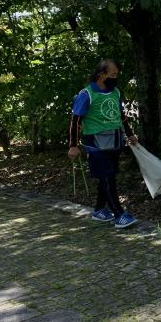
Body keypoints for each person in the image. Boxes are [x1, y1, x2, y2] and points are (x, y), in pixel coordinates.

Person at [68, 59, 139, 229]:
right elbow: (75, 120)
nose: (116, 77)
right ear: (102, 75)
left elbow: (121, 115)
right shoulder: (86, 94)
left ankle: (99, 210)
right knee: (108, 177)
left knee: (107, 177)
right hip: (95, 144)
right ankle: (119, 214)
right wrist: (73, 145)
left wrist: (130, 134)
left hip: (115, 141)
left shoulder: (115, 92)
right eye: (113, 74)